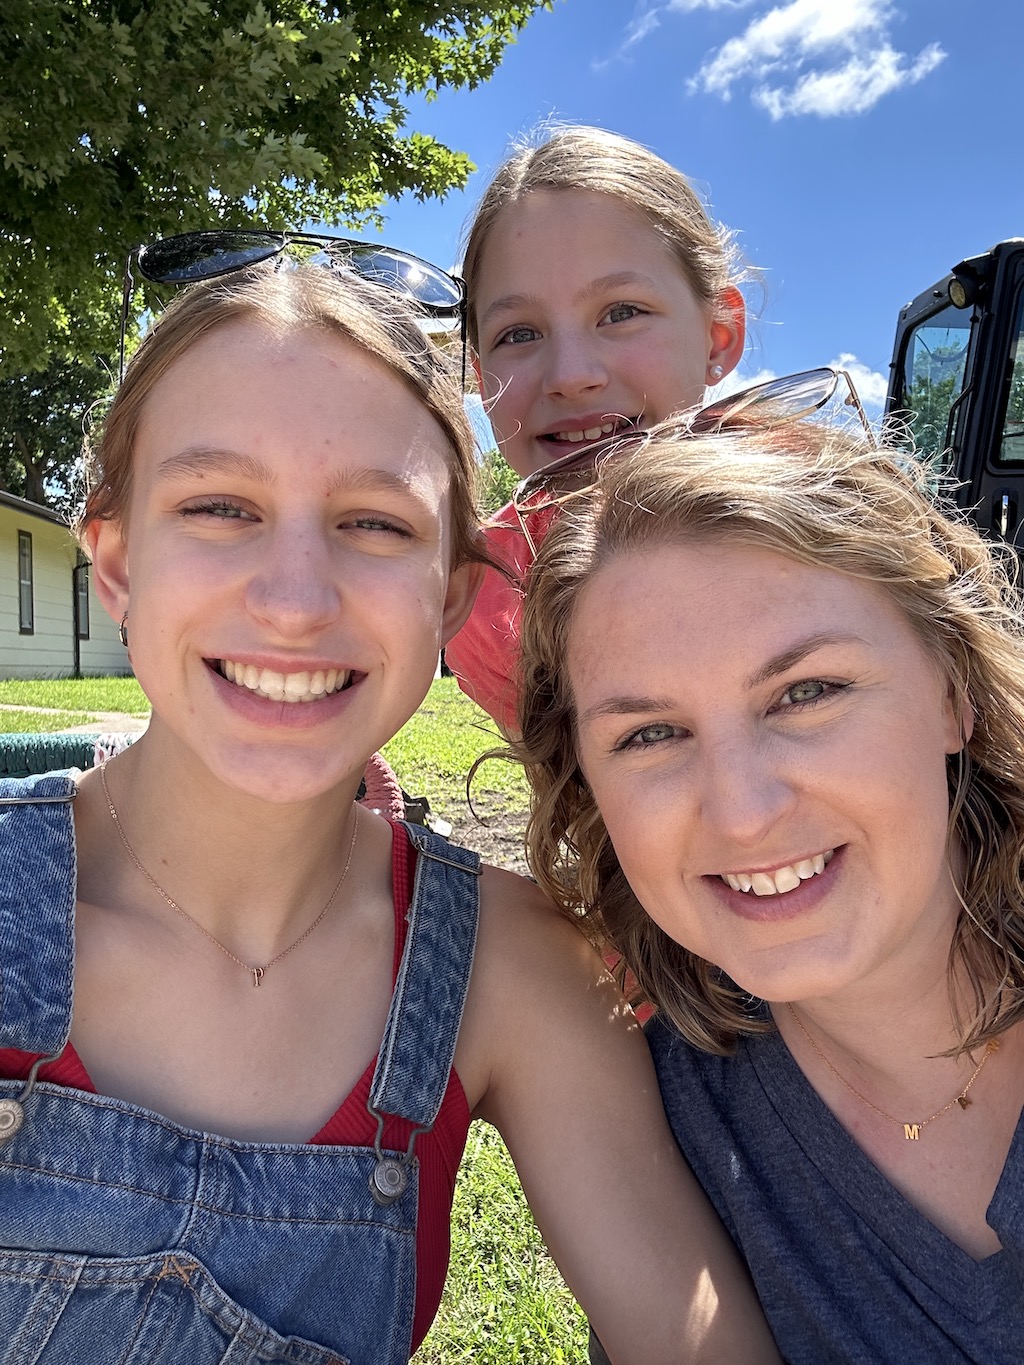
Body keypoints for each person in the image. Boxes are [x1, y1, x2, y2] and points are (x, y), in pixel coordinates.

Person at [0, 265, 781, 1365]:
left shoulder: (509, 968)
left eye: (373, 523)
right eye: (220, 507)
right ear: (120, 566)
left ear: (450, 600)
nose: (294, 598)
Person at [517, 414, 1024, 1365]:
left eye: (806, 692)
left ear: (953, 693)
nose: (743, 812)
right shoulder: (665, 1135)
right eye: (650, 735)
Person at [444, 125, 746, 730]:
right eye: (519, 334)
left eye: (622, 313)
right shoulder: (484, 598)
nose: (572, 376)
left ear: (719, 336)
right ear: (481, 377)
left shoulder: (840, 530)